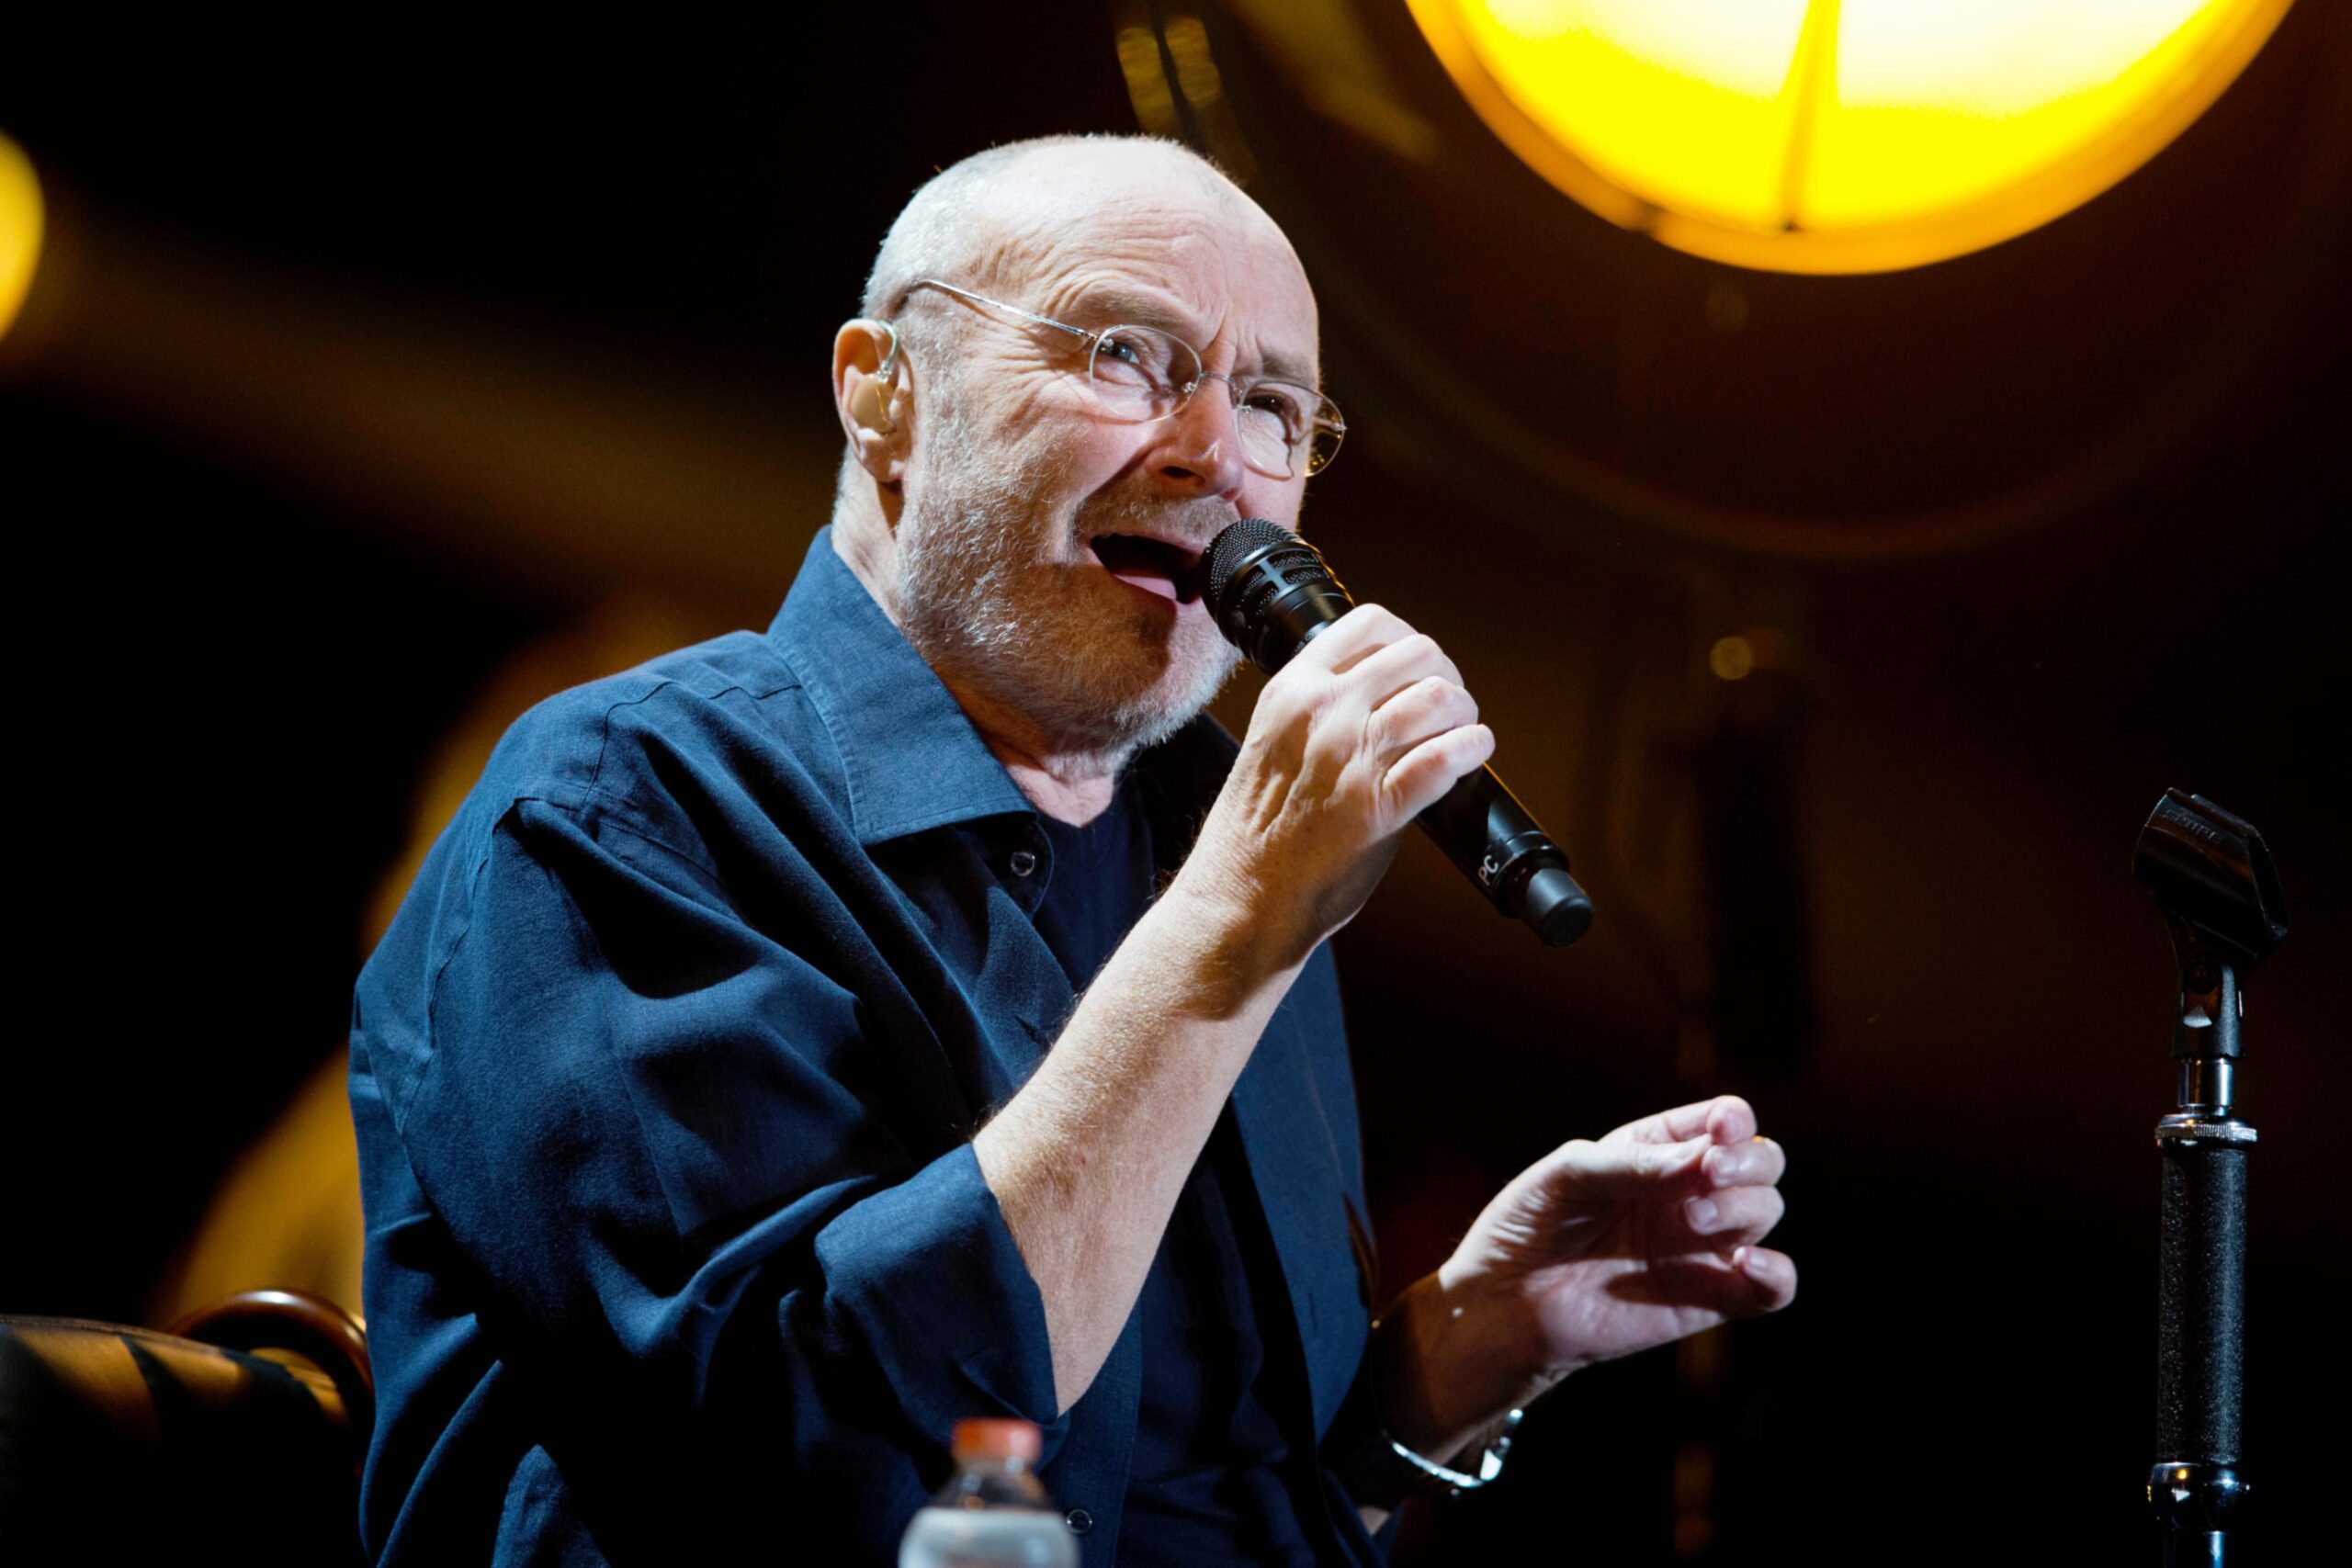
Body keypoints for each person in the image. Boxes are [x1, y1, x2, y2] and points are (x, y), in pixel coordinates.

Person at [348, 134, 1795, 1565]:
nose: (1216, 455)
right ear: (885, 393)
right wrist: (1230, 931)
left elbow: (1204, 1506)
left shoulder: (1220, 840)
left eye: (1273, 405)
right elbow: (825, 1478)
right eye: (1126, 355)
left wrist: (1471, 1350)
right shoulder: (631, 802)